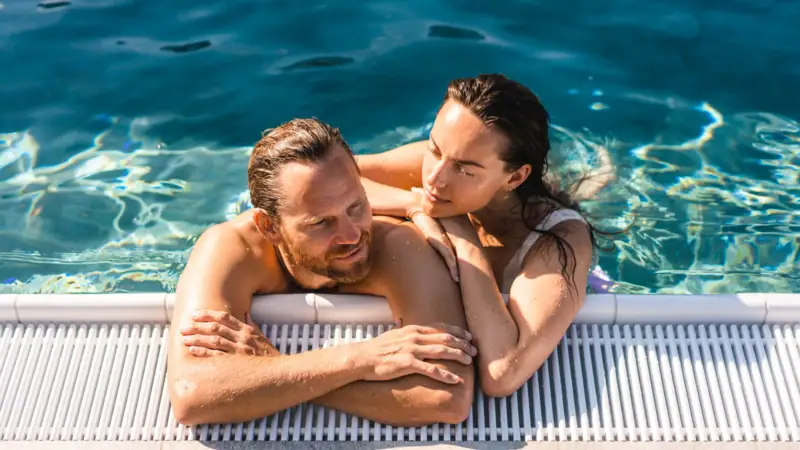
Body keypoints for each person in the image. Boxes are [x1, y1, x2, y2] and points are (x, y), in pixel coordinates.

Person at [166, 118, 476, 427]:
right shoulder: (232, 248)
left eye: (356, 206)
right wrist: (361, 360)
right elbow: (192, 396)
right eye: (320, 223)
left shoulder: (399, 247)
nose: (352, 235)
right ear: (269, 227)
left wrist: (272, 369)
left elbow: (447, 396)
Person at [355, 73, 616, 397]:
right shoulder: (444, 162)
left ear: (515, 176)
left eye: (465, 170)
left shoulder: (559, 242)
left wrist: (464, 236)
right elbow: (328, 178)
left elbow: (503, 373)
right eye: (435, 149)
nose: (435, 179)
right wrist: (416, 205)